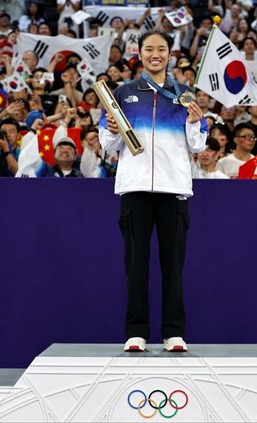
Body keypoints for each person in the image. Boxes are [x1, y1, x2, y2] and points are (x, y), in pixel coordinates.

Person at [99, 28, 207, 353]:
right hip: (134, 188)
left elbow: (197, 144)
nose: (155, 54)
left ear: (170, 54)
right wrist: (113, 130)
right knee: (136, 264)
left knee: (173, 265)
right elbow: (108, 144)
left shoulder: (184, 94)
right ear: (140, 53)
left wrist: (193, 122)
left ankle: (174, 332)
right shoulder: (124, 93)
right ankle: (137, 332)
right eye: (149, 49)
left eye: (161, 49)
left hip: (174, 189)